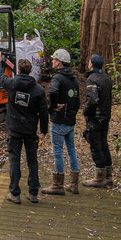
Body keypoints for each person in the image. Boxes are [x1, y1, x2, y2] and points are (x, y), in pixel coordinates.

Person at [0, 52, 49, 204]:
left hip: (14, 129)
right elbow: (44, 112)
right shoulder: (38, 90)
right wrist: (43, 131)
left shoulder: (12, 84)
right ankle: (33, 193)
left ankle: (14, 193)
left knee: (14, 160)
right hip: (30, 130)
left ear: (18, 71)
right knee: (32, 161)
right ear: (30, 71)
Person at [42, 48, 80, 195]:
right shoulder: (73, 78)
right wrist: (72, 113)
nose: (52, 61)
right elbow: (77, 100)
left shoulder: (58, 78)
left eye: (54, 59)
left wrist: (52, 107)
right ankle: (74, 184)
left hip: (59, 121)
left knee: (57, 151)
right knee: (71, 151)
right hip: (70, 120)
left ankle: (58, 185)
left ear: (58, 62)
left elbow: (52, 92)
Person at [82, 53, 114, 188]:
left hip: (95, 118)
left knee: (96, 146)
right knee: (103, 144)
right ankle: (108, 175)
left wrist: (86, 112)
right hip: (105, 117)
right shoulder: (106, 79)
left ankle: (99, 177)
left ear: (91, 64)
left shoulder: (92, 79)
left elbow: (93, 99)